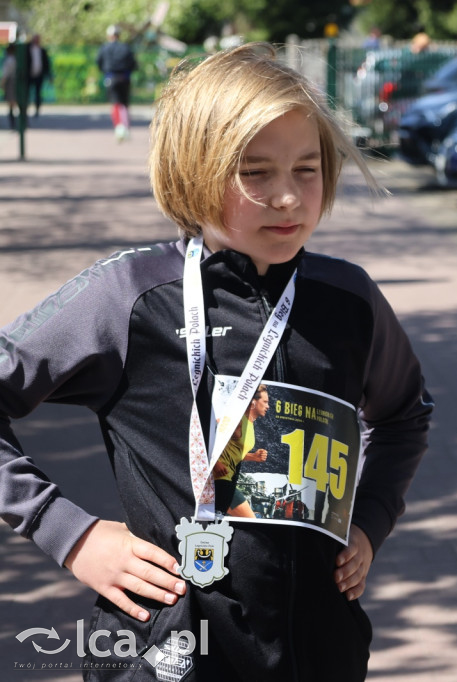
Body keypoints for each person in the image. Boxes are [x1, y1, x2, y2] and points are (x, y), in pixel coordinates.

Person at [0, 43, 433, 680]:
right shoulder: (132, 295)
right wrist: (68, 532)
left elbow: (403, 417)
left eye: (306, 169)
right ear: (193, 171)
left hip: (318, 650)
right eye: (255, 173)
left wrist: (369, 522)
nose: (287, 197)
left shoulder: (350, 299)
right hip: (162, 652)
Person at [213, 384, 270, 518]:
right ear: (253, 402)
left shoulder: (250, 424)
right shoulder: (237, 419)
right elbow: (204, 435)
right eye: (265, 402)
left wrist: (252, 457)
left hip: (227, 479)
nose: (268, 406)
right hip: (220, 479)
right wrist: (216, 463)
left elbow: (233, 451)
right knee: (250, 520)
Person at [95, 24, 136, 141]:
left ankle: (119, 128)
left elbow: (98, 61)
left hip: (111, 78)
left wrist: (105, 71)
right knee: (124, 104)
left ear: (109, 36)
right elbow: (133, 63)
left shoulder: (104, 48)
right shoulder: (126, 48)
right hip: (124, 78)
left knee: (115, 104)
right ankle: (125, 127)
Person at [27, 34, 51, 117]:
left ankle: (37, 110)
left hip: (39, 75)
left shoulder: (42, 50)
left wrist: (48, 75)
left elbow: (46, 63)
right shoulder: (28, 49)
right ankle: (25, 110)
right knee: (27, 93)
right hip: (29, 76)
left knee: (38, 93)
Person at [2, 43, 18, 130]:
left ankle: (13, 123)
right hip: (16, 81)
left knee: (11, 103)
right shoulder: (16, 59)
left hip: (10, 82)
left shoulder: (9, 60)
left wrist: (2, 84)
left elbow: (5, 75)